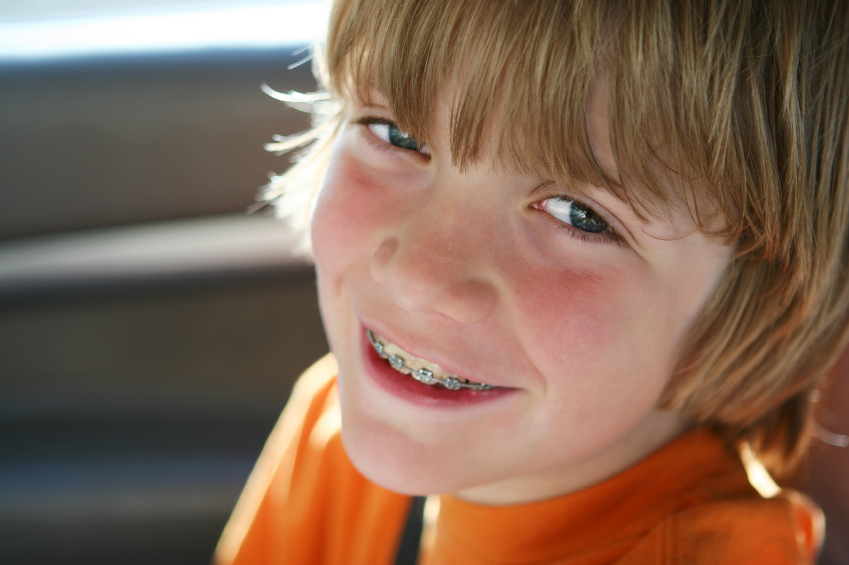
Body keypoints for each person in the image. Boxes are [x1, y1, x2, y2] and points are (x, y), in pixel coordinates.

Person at [215, 0, 849, 563]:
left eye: (580, 215)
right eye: (397, 134)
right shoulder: (338, 419)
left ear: (751, 309)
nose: (418, 279)